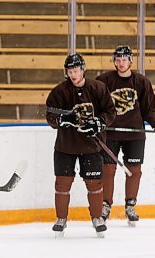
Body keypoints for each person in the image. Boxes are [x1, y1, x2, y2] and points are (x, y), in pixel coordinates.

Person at [46, 53, 116, 238]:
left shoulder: (98, 88)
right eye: (70, 71)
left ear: (83, 69)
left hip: (91, 147)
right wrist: (62, 118)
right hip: (65, 146)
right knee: (62, 184)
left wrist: (99, 122)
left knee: (94, 184)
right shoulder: (60, 91)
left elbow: (110, 111)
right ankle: (61, 219)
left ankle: (97, 218)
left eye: (76, 70)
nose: (73, 74)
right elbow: (50, 116)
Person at [96, 45, 155, 227]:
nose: (121, 63)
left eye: (124, 59)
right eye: (117, 59)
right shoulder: (104, 80)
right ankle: (105, 205)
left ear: (130, 61)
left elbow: (149, 110)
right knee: (107, 170)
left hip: (135, 135)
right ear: (114, 61)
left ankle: (130, 205)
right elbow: (96, 105)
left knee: (135, 171)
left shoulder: (142, 82)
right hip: (110, 133)